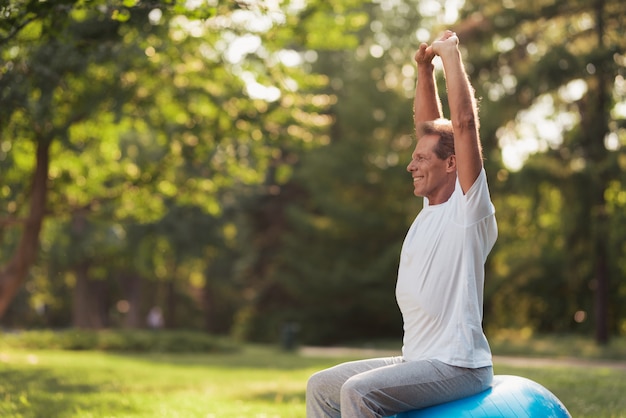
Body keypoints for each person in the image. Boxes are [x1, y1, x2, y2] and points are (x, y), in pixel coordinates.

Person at [305, 30, 498, 417]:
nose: (411, 165)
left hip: (458, 366)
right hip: (418, 361)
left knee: (360, 392)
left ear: (452, 164)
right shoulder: (429, 212)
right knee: (322, 386)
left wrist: (450, 56)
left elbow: (462, 125)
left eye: (422, 159)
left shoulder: (468, 210)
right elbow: (431, 127)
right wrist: (424, 71)